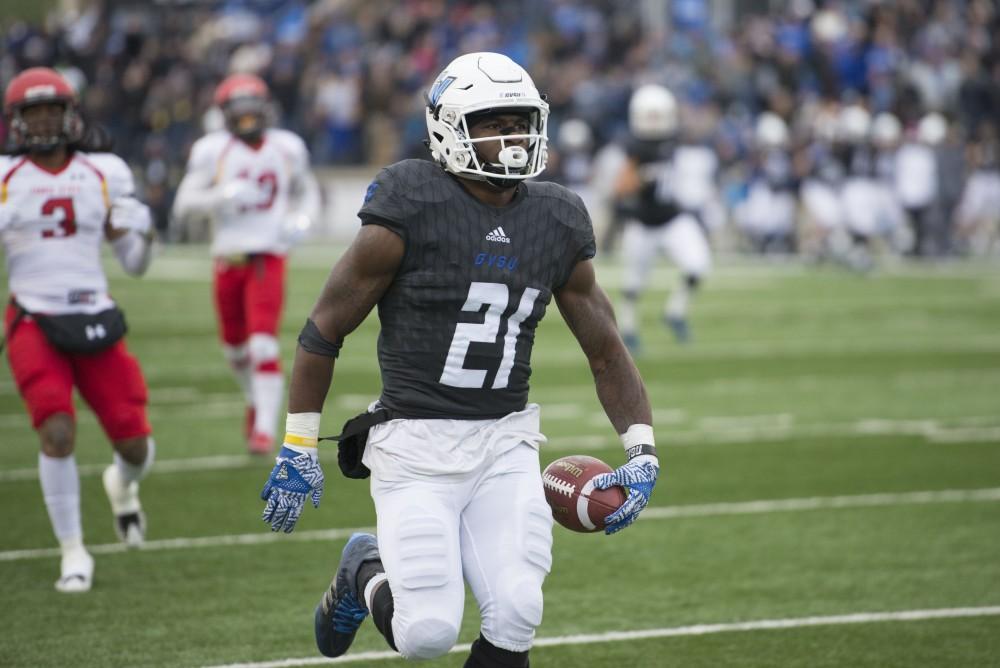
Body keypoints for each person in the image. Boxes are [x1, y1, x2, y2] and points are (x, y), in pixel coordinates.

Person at [258, 52, 660, 667]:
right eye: (494, 123)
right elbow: (323, 329)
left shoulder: (554, 216)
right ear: (449, 127)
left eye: (520, 121)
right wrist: (297, 443)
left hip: (505, 442)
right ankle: (364, 569)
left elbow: (604, 346)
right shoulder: (411, 201)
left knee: (519, 610)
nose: (513, 137)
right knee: (427, 634)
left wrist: (642, 449)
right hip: (415, 446)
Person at [0, 67, 156, 593]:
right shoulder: (6, 178)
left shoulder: (104, 171)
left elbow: (135, 263)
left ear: (71, 114)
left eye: (51, 110)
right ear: (16, 122)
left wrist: (142, 229)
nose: (43, 121)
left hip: (94, 314)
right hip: (34, 318)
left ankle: (122, 485)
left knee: (135, 445)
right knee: (57, 431)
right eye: (32, 112)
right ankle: (73, 550)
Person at [172, 73, 320, 454]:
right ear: (225, 113)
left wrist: (301, 221)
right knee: (235, 349)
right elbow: (183, 204)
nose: (248, 117)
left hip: (267, 256)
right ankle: (256, 398)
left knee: (262, 345)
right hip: (227, 256)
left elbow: (308, 193)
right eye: (240, 110)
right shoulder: (213, 150)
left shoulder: (287, 147)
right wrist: (222, 194)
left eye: (253, 108)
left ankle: (265, 431)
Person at [613, 84, 715, 348]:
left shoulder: (676, 139)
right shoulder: (633, 146)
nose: (655, 122)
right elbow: (621, 187)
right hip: (643, 222)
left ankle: (675, 313)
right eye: (651, 116)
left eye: (658, 115)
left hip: (673, 219)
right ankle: (629, 328)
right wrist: (641, 180)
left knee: (698, 264)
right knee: (633, 283)